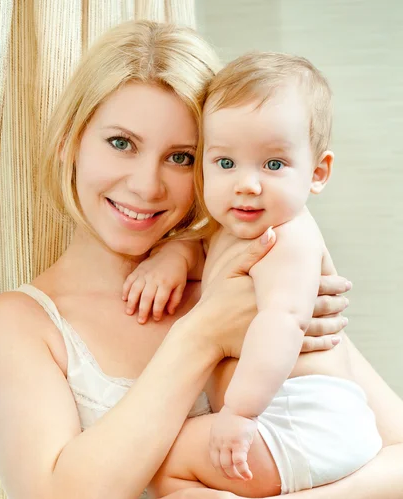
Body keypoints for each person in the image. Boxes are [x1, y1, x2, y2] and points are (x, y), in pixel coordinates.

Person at [0, 20, 403, 499]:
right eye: (121, 143)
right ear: (69, 143)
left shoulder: (250, 265)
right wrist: (203, 334)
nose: (147, 185)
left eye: (181, 157)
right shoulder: (22, 324)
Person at [123, 52, 383, 497]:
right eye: (226, 164)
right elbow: (208, 254)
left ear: (317, 172)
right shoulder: (231, 230)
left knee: (167, 463)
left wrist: (240, 413)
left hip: (302, 421)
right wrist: (174, 257)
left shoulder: (287, 238)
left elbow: (281, 322)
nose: (247, 183)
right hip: (300, 422)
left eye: (274, 165)